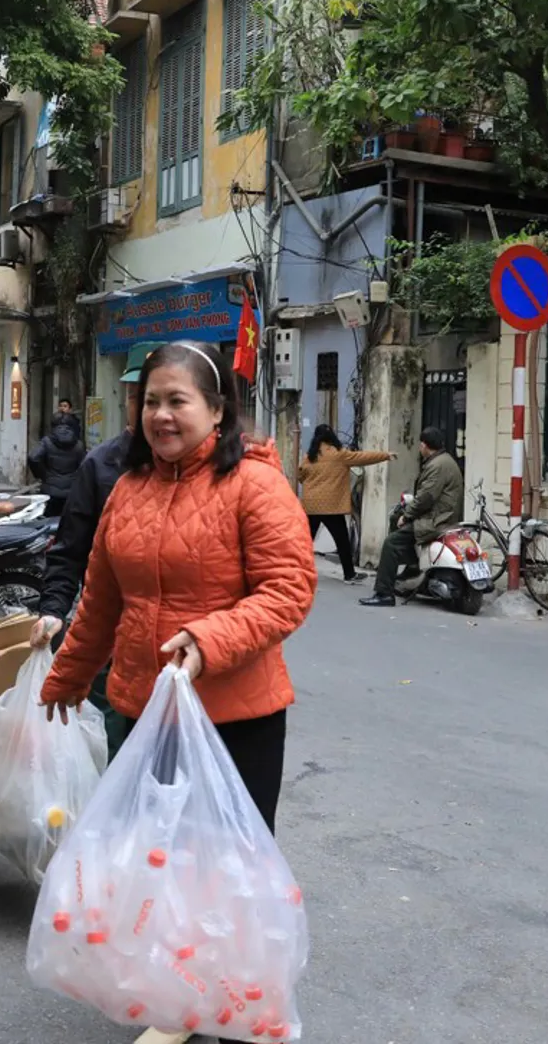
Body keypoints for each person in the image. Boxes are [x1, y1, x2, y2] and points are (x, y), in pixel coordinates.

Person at [39, 341, 318, 841]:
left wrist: (209, 640)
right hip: (144, 713)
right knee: (147, 860)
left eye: (176, 401)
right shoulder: (128, 489)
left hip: (235, 719)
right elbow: (102, 600)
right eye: (150, 402)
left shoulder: (254, 485)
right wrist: (69, 673)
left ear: (217, 410)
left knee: (222, 871)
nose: (160, 415)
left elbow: (288, 590)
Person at [32, 342, 162, 759]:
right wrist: (53, 608)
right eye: (138, 397)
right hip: (110, 630)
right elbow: (71, 548)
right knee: (111, 737)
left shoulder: (209, 469)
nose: (148, 409)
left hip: (177, 644)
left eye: (162, 397)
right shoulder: (102, 464)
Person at [359, 426, 464, 608]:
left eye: (420, 445)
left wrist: (407, 516)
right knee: (395, 520)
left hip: (436, 521)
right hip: (442, 515)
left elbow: (426, 497)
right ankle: (412, 569)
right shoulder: (444, 461)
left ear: (424, 445)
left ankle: (384, 593)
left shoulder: (437, 466)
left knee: (391, 543)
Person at [297, 423, 394, 584]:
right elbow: (362, 457)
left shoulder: (310, 456)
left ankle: (296, 573)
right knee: (342, 541)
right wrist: (385, 455)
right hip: (331, 507)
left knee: (305, 541)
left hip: (311, 505)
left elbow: (301, 475)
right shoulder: (339, 454)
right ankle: (349, 574)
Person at [29, 413, 85, 518]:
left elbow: (33, 457)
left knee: (48, 522)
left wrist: (43, 475)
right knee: (67, 523)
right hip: (71, 491)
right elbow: (84, 466)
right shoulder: (78, 445)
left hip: (50, 489)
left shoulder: (47, 442)